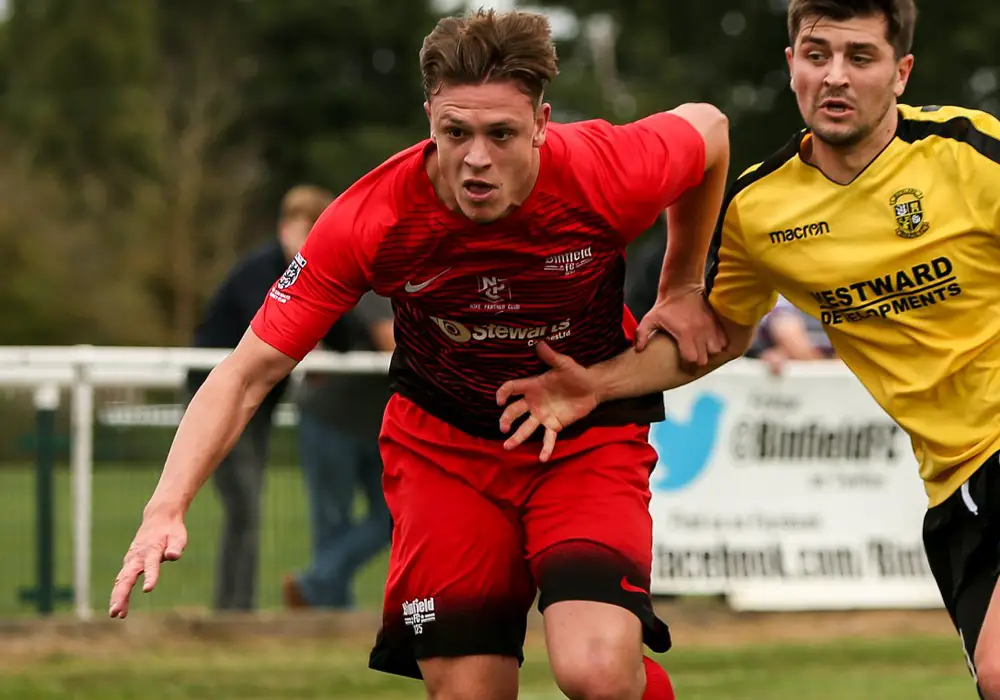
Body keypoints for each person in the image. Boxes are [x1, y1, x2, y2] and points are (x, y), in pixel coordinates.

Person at [108, 9, 731, 700]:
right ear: (429, 117)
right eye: (456, 133)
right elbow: (246, 374)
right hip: (444, 451)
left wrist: (682, 284)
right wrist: (165, 506)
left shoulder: (606, 174)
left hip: (583, 434)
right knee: (468, 692)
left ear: (542, 123)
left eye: (501, 134)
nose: (476, 158)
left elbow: (709, 128)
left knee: (598, 673)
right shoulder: (372, 219)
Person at [494, 1, 1000, 698]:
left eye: (860, 57)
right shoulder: (760, 209)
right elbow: (715, 338)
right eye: (817, 56)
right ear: (792, 65)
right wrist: (596, 383)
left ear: (901, 72)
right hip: (958, 480)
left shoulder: (971, 152)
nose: (835, 76)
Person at [185, 183, 356, 611]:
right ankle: (233, 610)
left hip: (257, 406)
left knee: (247, 506)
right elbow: (270, 333)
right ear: (286, 228)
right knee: (244, 506)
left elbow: (338, 332)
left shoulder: (317, 273)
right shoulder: (258, 273)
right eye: (304, 231)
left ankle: (235, 609)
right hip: (219, 400)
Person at [284, 291, 395, 610]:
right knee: (332, 521)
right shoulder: (376, 287)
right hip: (331, 420)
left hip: (375, 425)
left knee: (392, 515)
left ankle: (313, 585)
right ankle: (333, 610)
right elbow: (391, 342)